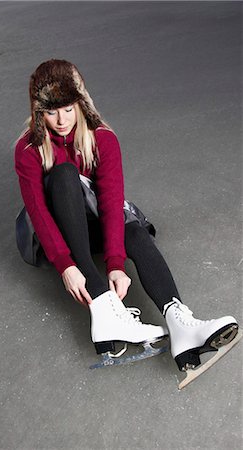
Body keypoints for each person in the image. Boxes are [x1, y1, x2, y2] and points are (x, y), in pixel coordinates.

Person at [15, 59, 240, 385]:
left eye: (67, 108)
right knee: (64, 175)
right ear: (39, 111)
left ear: (79, 102)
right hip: (53, 231)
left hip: (91, 222)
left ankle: (180, 323)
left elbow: (109, 204)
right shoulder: (28, 148)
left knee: (131, 228)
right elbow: (37, 210)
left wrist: (116, 263)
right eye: (51, 112)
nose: (61, 120)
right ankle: (103, 307)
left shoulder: (102, 138)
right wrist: (65, 265)